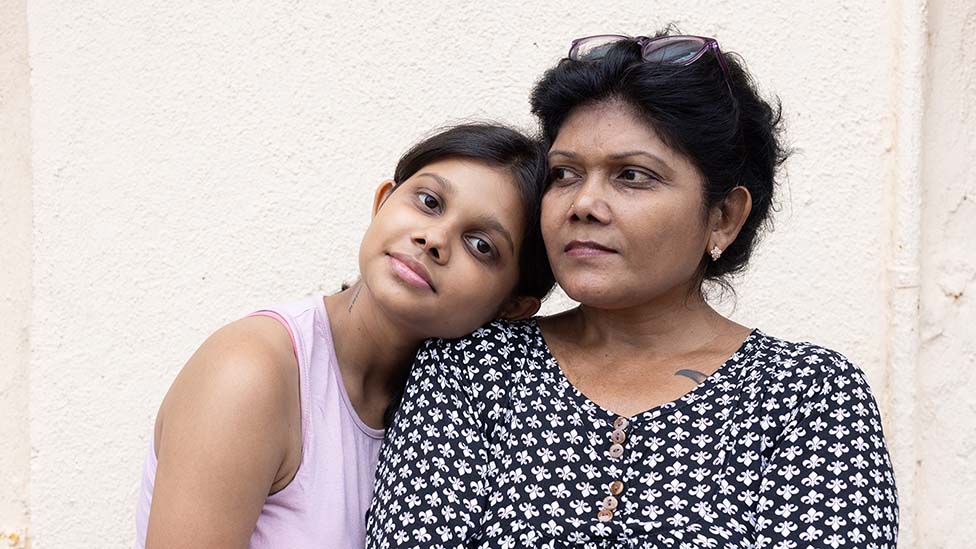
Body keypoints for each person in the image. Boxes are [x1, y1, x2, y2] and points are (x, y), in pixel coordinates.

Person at [366, 32, 898, 548]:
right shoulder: (474, 367)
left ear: (723, 217)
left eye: (633, 176)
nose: (583, 204)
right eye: (565, 174)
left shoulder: (807, 396)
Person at [134, 123, 556, 548]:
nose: (433, 239)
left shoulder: (466, 424)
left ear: (513, 307)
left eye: (481, 245)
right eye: (429, 202)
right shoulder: (250, 372)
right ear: (383, 201)